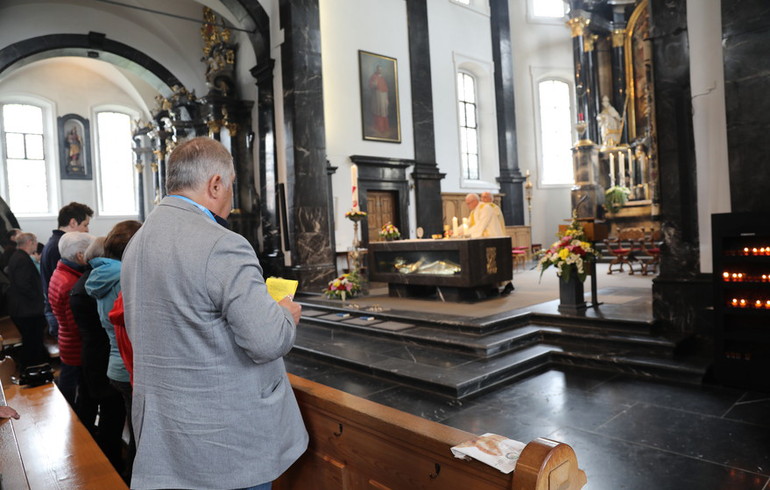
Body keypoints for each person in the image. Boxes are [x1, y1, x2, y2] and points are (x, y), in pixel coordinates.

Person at [121, 137, 308, 489]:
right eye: (231, 187)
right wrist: (283, 314)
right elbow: (266, 341)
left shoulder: (138, 242)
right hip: (223, 446)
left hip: (165, 436)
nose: (231, 198)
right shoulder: (222, 243)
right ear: (215, 184)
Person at [85, 220, 141, 480]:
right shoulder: (124, 277)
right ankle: (132, 480)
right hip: (129, 367)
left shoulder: (101, 274)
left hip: (115, 364)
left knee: (134, 430)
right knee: (142, 438)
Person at [70, 237, 126, 476]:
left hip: (94, 352)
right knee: (112, 416)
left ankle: (107, 460)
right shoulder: (111, 280)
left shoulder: (87, 281)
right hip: (104, 353)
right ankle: (110, 468)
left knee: (108, 413)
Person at [48, 232, 95, 416]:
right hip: (75, 347)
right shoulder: (71, 283)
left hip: (66, 340)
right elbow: (76, 325)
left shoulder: (60, 272)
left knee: (69, 384)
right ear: (80, 256)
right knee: (74, 393)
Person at [40, 202, 94, 338]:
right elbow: (65, 290)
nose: (87, 230)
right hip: (63, 315)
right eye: (85, 225)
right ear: (73, 222)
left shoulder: (55, 242)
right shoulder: (60, 246)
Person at [6, 232, 49, 369]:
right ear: (30, 242)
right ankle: (32, 370)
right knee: (32, 343)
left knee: (32, 342)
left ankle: (33, 367)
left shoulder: (18, 256)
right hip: (27, 310)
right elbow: (23, 285)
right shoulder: (22, 259)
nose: (36, 245)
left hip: (24, 308)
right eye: (35, 242)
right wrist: (38, 298)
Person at [466, 193, 514, 295]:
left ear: (475, 201)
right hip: (483, 240)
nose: (467, 205)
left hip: (493, 239)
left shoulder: (486, 208)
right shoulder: (474, 211)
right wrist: (457, 231)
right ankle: (493, 286)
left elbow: (481, 226)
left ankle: (506, 285)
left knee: (494, 264)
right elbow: (468, 225)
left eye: (469, 203)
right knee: (488, 265)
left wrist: (466, 234)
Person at [369, 64, 390, 135]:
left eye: (381, 69)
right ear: (376, 69)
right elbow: (372, 86)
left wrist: (386, 99)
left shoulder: (382, 78)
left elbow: (385, 89)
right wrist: (374, 84)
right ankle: (379, 127)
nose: (380, 70)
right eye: (378, 69)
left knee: (383, 110)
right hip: (377, 97)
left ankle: (384, 127)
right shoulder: (373, 76)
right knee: (378, 110)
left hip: (383, 97)